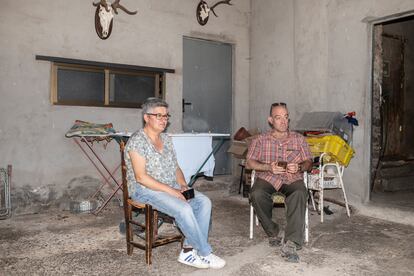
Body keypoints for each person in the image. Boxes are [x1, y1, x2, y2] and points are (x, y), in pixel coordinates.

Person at [124, 97, 226, 269]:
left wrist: (182, 184)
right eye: (159, 116)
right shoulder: (137, 141)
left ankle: (187, 251)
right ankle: (204, 252)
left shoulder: (166, 139)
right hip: (145, 190)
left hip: (169, 186)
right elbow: (141, 177)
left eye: (166, 116)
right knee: (184, 208)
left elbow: (176, 167)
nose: (164, 120)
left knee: (203, 202)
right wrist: (172, 192)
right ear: (146, 118)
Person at [246, 102, 312, 263]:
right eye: (278, 118)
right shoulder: (260, 140)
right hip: (268, 177)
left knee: (300, 192)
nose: (283, 121)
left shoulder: (299, 139)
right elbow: (249, 163)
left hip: (292, 178)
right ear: (270, 120)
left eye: (286, 117)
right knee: (256, 193)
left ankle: (292, 242)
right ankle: (273, 231)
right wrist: (268, 167)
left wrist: (300, 166)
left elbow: (309, 163)